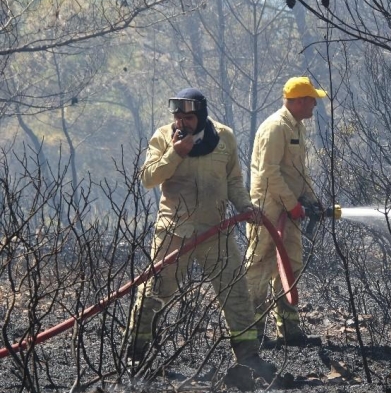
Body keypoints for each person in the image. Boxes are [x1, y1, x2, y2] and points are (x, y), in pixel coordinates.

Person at [126, 88, 277, 384]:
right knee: (153, 294)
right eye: (178, 116)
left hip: (215, 232)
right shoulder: (163, 137)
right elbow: (147, 178)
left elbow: (233, 179)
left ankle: (248, 358)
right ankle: (137, 356)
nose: (183, 122)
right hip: (173, 234)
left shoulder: (224, 138)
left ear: (202, 115)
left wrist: (245, 206)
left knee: (236, 293)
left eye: (189, 117)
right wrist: (175, 152)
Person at [245, 76, 325, 346]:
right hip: (269, 209)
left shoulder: (297, 128)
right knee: (260, 265)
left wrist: (311, 201)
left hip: (290, 208)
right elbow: (268, 174)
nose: (315, 106)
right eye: (312, 101)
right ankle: (251, 333)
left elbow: (297, 173)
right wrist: (292, 204)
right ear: (300, 101)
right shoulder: (275, 128)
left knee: (290, 264)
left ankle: (289, 330)